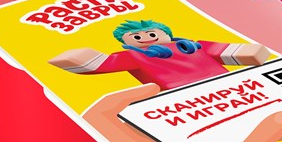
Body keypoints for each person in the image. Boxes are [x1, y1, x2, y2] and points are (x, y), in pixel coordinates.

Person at [49, 19, 269, 90]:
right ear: (126, 42)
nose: (145, 38)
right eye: (136, 37)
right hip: (178, 94)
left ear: (166, 34)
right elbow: (100, 64)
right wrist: (76, 57)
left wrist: (255, 53)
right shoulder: (133, 56)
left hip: (229, 83)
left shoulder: (194, 45)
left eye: (151, 33)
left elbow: (236, 52)